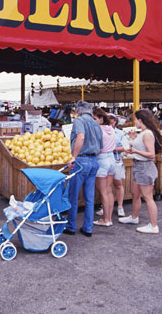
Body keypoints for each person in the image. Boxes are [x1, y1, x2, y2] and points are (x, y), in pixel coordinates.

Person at [119, 109, 162, 234]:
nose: (134, 122)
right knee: (135, 194)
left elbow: (151, 154)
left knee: (148, 197)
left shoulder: (147, 134)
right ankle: (134, 217)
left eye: (136, 119)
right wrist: (134, 139)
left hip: (145, 167)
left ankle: (153, 225)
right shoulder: (143, 133)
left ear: (140, 120)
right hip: (138, 166)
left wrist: (135, 151)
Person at [64, 100, 103, 237]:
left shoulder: (79, 121)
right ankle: (88, 228)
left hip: (81, 161)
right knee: (89, 197)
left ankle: (71, 226)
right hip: (94, 161)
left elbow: (80, 137)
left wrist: (74, 157)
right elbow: (101, 148)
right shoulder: (96, 124)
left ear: (79, 111)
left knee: (73, 196)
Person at [92, 108, 116, 227]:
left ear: (101, 119)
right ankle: (109, 218)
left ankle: (106, 219)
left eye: (95, 119)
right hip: (111, 159)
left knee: (103, 192)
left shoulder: (98, 130)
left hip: (102, 160)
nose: (93, 121)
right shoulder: (111, 128)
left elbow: (99, 149)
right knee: (109, 191)